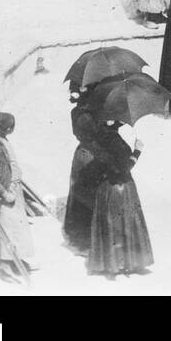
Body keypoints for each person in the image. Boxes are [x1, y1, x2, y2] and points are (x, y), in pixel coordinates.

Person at [87, 121, 154, 278]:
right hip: (120, 188)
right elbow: (124, 168)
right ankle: (127, 262)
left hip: (104, 189)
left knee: (111, 226)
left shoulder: (98, 137)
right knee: (124, 224)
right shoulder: (114, 140)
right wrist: (137, 151)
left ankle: (110, 263)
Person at [0, 112, 35, 282]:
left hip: (12, 192)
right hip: (3, 197)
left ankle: (14, 261)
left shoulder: (1, 140)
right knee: (6, 232)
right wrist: (5, 194)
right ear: (7, 128)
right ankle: (4, 268)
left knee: (16, 231)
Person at [64, 91, 102, 255]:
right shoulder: (88, 115)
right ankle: (86, 240)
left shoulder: (76, 112)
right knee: (88, 197)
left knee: (77, 193)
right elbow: (95, 133)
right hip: (90, 153)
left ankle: (75, 234)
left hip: (80, 153)